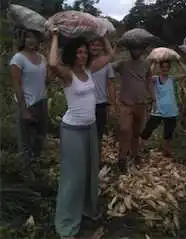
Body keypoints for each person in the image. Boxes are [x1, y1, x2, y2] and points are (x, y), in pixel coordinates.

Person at [48, 28, 113, 239]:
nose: (82, 55)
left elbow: (109, 54)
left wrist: (103, 34)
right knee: (73, 177)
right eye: (78, 52)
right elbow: (51, 64)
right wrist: (56, 36)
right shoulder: (68, 74)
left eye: (84, 52)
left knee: (89, 173)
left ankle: (87, 209)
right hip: (73, 130)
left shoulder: (90, 69)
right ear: (72, 54)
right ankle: (67, 222)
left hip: (90, 127)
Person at [113, 43, 155, 172]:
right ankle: (122, 159)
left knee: (137, 133)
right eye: (134, 47)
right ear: (130, 49)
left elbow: (148, 80)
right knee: (125, 130)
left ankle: (135, 155)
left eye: (139, 48)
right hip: (126, 104)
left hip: (141, 103)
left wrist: (153, 96)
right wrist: (115, 48)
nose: (136, 50)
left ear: (143, 50)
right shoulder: (122, 64)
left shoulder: (146, 65)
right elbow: (108, 67)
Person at [10, 29, 48, 165]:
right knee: (26, 143)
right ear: (23, 40)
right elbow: (17, 86)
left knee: (39, 139)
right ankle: (26, 174)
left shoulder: (42, 58)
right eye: (28, 37)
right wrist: (24, 110)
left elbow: (44, 80)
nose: (32, 41)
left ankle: (36, 170)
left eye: (34, 38)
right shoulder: (18, 58)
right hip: (27, 104)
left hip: (42, 102)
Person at [140, 59, 186, 157]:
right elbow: (146, 77)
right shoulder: (155, 79)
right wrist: (154, 63)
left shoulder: (172, 79)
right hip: (158, 110)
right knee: (148, 129)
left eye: (167, 67)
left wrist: (179, 61)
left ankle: (166, 152)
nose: (165, 69)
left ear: (169, 68)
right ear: (160, 68)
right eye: (163, 67)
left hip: (171, 111)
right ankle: (140, 148)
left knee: (168, 133)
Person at [89, 38, 117, 154]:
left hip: (101, 104)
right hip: (85, 104)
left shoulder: (107, 65)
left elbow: (110, 84)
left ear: (102, 47)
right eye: (92, 44)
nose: (95, 47)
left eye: (98, 45)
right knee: (85, 134)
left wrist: (112, 104)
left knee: (98, 135)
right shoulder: (83, 62)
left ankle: (96, 161)